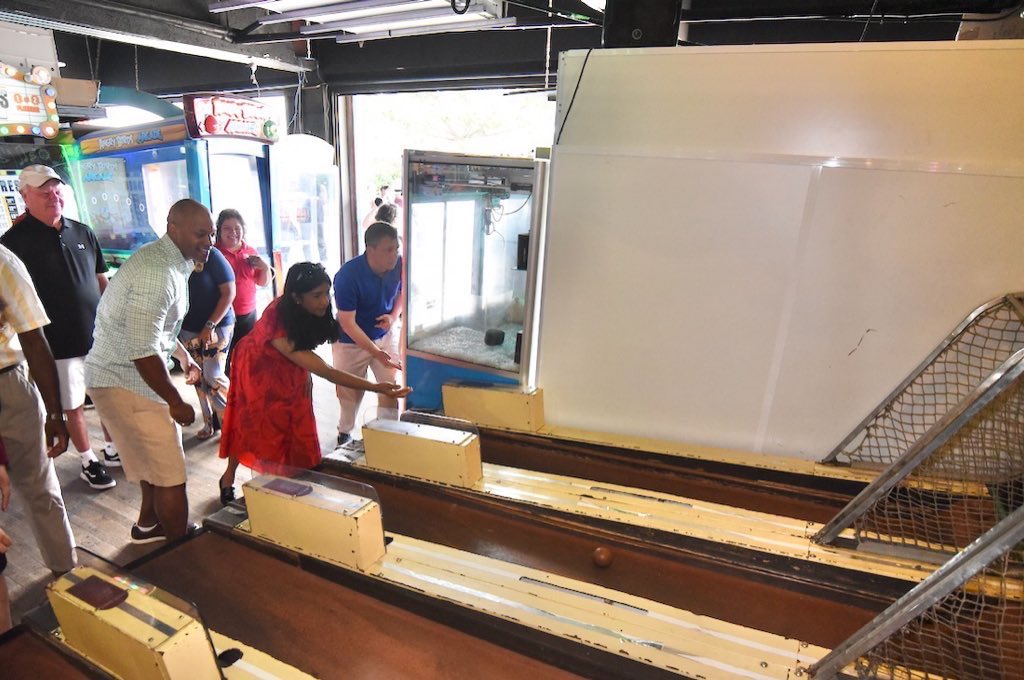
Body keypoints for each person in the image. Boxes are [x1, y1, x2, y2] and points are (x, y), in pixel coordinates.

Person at [218, 262, 411, 504]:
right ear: (297, 298)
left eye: (326, 294)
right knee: (257, 427)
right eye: (317, 296)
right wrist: (374, 387)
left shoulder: (303, 309)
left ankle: (293, 482)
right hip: (257, 368)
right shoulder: (279, 326)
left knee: (293, 423)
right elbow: (326, 371)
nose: (324, 302)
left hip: (290, 366)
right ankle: (240, 480)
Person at [85, 199, 207, 544]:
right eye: (200, 234)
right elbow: (142, 349)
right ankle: (179, 547)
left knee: (151, 464)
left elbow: (158, 331)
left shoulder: (170, 260)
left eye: (210, 234)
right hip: (124, 378)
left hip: (120, 374)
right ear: (173, 227)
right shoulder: (159, 273)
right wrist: (175, 400)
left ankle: (148, 526)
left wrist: (183, 357)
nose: (208, 242)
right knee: (171, 473)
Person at [0, 164, 118, 490]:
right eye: (43, 191)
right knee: (72, 405)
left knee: (106, 396)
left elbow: (101, 281)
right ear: (25, 197)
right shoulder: (12, 243)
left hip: (97, 337)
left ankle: (111, 449)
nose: (53, 196)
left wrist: (112, 324)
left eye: (56, 189)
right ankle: (87, 460)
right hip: (55, 343)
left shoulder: (83, 231)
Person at [0, 242, 75, 578]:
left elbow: (33, 337)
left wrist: (56, 415)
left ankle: (66, 571)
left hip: (7, 385)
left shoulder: (3, 262)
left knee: (39, 485)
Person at [332, 222, 405, 446]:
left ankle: (387, 432)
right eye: (388, 250)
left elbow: (402, 292)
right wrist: (375, 351)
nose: (394, 255)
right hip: (349, 342)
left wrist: (393, 315)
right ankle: (345, 432)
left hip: (384, 334)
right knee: (349, 391)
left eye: (396, 248)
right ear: (370, 250)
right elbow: (347, 323)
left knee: (390, 385)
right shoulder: (347, 275)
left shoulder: (399, 264)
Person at [179, 245, 235, 440]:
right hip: (187, 327)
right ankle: (208, 422)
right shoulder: (175, 257)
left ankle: (233, 425)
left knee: (213, 375)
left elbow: (229, 292)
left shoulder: (213, 255)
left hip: (218, 324)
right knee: (197, 376)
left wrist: (210, 325)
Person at [215, 209, 270, 372]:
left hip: (248, 314)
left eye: (237, 228)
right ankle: (229, 392)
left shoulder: (250, 252)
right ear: (219, 231)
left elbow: (262, 282)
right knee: (223, 359)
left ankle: (245, 389)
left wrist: (265, 268)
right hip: (223, 316)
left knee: (247, 356)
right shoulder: (214, 253)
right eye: (227, 228)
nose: (233, 233)